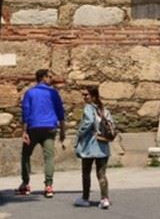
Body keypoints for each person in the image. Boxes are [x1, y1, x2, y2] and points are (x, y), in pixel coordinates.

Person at [18, 68, 66, 198]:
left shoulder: (30, 93)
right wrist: (62, 130)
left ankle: (25, 183)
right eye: (49, 77)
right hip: (49, 127)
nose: (52, 79)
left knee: (25, 155)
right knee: (49, 157)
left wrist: (24, 132)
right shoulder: (54, 93)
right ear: (43, 78)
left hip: (33, 127)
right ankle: (48, 185)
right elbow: (60, 112)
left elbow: (26, 112)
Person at [72, 86, 111, 209]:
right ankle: (104, 199)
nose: (84, 97)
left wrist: (79, 134)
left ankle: (85, 198)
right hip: (103, 145)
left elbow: (88, 122)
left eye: (86, 95)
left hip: (90, 145)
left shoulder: (89, 108)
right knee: (101, 174)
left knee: (86, 172)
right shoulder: (104, 109)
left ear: (93, 96)